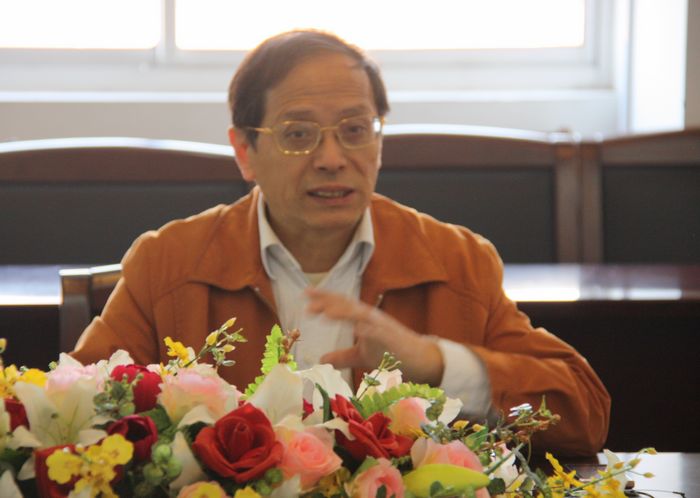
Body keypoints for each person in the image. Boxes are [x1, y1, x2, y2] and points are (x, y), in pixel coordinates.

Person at [72, 29, 610, 455]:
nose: (332, 159)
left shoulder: (454, 260)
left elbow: (584, 414)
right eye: (298, 134)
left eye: (355, 130)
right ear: (244, 152)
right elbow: (71, 415)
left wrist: (435, 364)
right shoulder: (169, 261)